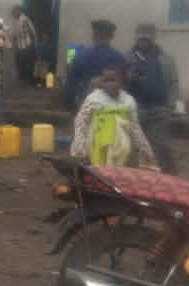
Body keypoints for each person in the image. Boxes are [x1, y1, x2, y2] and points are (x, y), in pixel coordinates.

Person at [70, 64, 157, 168]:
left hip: (122, 148)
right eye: (106, 80)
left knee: (119, 171)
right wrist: (80, 146)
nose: (109, 84)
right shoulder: (93, 99)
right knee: (98, 170)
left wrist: (145, 149)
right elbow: (81, 122)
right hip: (97, 145)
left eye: (113, 80)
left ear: (121, 82)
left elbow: (135, 127)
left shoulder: (128, 101)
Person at [125, 23, 180, 175]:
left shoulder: (166, 58)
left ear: (153, 38)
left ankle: (172, 180)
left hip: (160, 109)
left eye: (147, 38)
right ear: (136, 37)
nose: (143, 41)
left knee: (162, 147)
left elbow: (174, 83)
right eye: (141, 38)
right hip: (135, 109)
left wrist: (170, 106)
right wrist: (128, 77)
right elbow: (119, 82)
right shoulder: (126, 57)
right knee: (132, 148)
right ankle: (131, 180)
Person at [65, 20, 127, 111]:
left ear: (94, 35)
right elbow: (125, 86)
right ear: (111, 37)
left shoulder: (81, 56)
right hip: (112, 108)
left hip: (87, 105)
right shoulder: (120, 58)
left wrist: (70, 105)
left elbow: (70, 85)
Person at [9, 5, 38, 86]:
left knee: (28, 64)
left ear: (19, 11)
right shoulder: (17, 20)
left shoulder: (24, 19)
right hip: (21, 46)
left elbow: (32, 31)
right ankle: (24, 80)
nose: (13, 14)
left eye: (14, 12)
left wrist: (34, 44)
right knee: (20, 63)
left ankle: (31, 82)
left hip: (27, 45)